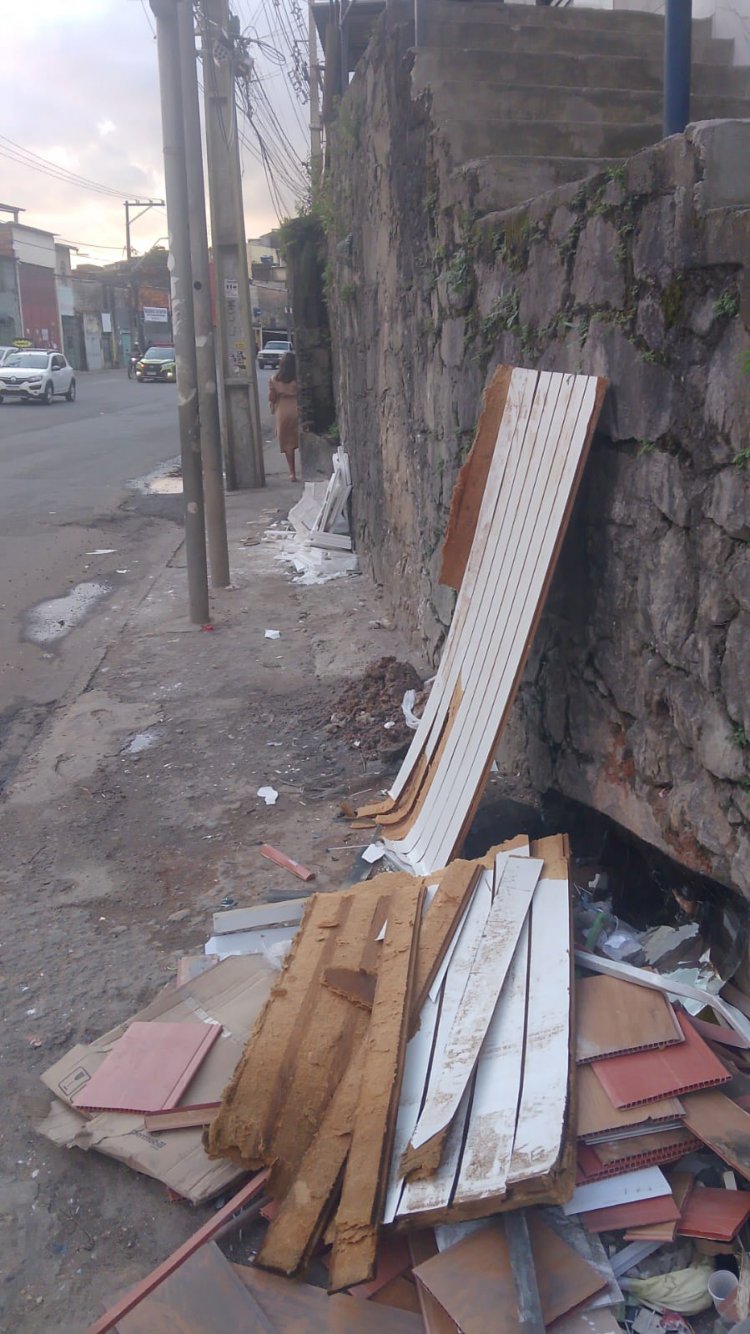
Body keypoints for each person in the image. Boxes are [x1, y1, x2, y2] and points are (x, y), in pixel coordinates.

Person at [268, 351, 300, 481]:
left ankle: (292, 472)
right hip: (297, 408)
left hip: (283, 410)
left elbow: (272, 397)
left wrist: (272, 407)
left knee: (287, 443)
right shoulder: (297, 378)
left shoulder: (274, 379)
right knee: (300, 437)